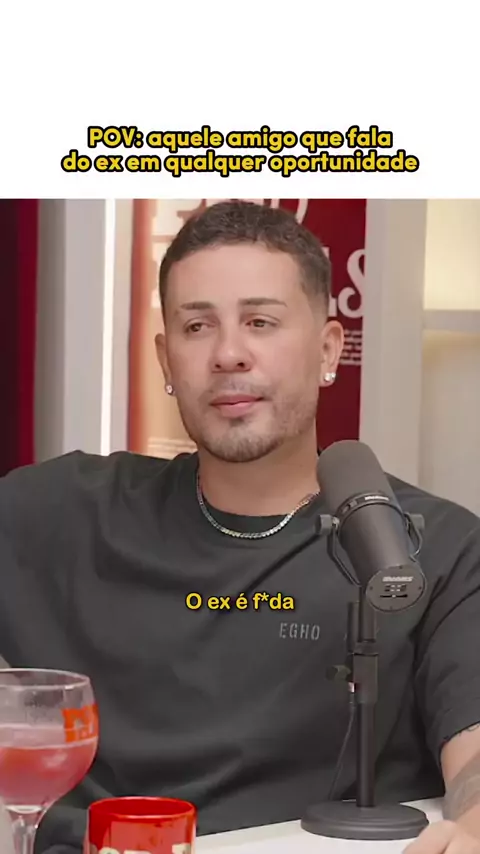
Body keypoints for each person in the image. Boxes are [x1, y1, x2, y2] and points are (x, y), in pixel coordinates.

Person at [1, 200, 480, 854]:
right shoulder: (65, 511)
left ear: (328, 349)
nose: (228, 354)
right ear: (167, 361)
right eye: (197, 326)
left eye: (260, 322)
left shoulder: (425, 549)